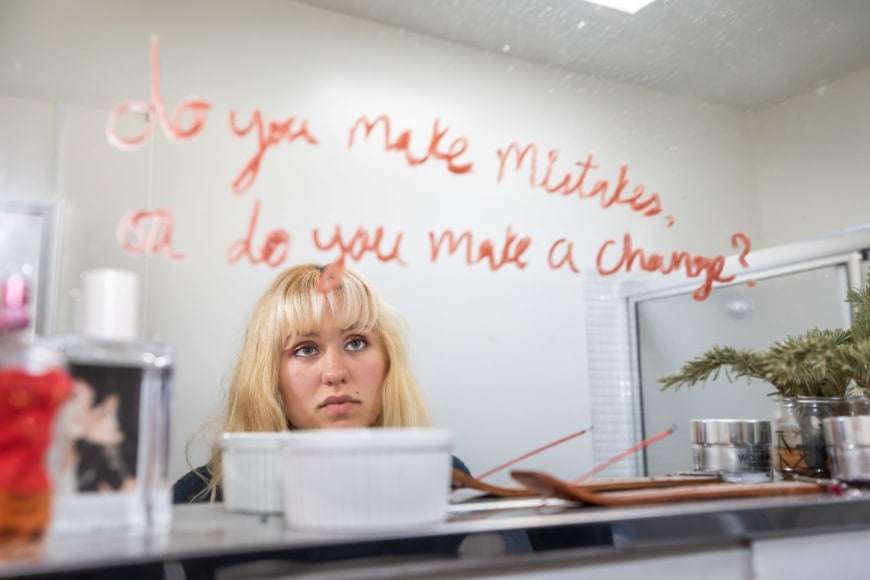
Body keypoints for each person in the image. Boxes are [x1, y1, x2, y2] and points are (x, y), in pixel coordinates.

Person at [173, 263, 470, 503]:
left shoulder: (446, 479)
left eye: (355, 343)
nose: (335, 373)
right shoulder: (196, 499)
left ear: (388, 362)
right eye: (305, 349)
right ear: (268, 375)